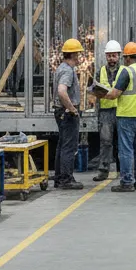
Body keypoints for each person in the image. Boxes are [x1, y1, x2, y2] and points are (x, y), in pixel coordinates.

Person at [96, 41, 136, 192]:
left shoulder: (127, 72)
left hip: (128, 115)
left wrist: (100, 94)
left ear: (126, 57)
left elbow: (115, 94)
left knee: (126, 149)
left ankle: (127, 181)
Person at [53, 38, 84, 190]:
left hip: (60, 112)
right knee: (68, 147)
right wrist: (72, 109)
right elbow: (61, 91)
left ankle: (59, 178)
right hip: (67, 114)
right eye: (78, 53)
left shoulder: (61, 68)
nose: (79, 56)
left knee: (62, 146)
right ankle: (66, 179)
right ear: (73, 55)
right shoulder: (67, 70)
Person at [90, 39, 121, 181]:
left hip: (121, 111)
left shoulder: (124, 72)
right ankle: (103, 171)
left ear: (119, 56)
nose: (111, 58)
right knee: (106, 142)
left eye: (114, 55)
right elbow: (95, 92)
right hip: (105, 112)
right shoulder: (100, 72)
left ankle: (123, 170)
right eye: (109, 56)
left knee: (121, 142)